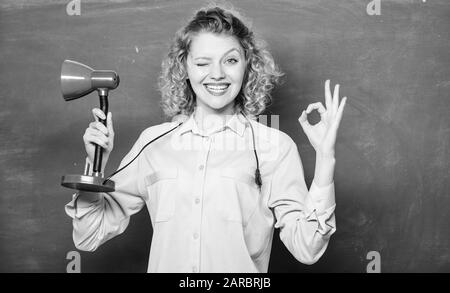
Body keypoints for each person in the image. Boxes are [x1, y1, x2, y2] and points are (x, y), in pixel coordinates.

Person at [65, 5, 346, 273]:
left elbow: (307, 248)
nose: (217, 74)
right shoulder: (153, 144)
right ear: (184, 67)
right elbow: (89, 235)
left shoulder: (274, 147)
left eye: (231, 60)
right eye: (202, 62)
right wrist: (96, 165)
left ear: (248, 66)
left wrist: (325, 159)